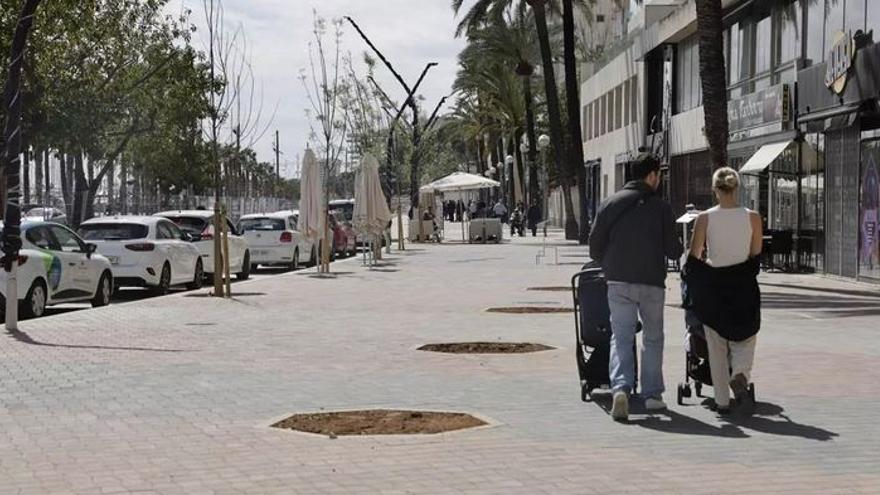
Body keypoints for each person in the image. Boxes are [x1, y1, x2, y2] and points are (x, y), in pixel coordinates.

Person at [588, 153, 682, 421]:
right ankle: (652, 395)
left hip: (618, 280)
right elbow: (674, 251)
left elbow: (594, 245)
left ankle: (620, 388)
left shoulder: (610, 203)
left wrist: (610, 261)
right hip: (652, 282)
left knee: (621, 336)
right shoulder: (661, 207)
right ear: (651, 175)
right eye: (659, 174)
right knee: (652, 337)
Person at [685, 167, 763, 416]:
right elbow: (755, 253)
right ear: (736, 187)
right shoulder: (753, 217)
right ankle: (740, 374)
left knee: (716, 347)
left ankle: (721, 401)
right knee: (746, 337)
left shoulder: (705, 218)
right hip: (743, 285)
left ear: (715, 189)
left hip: (714, 287)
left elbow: (694, 255)